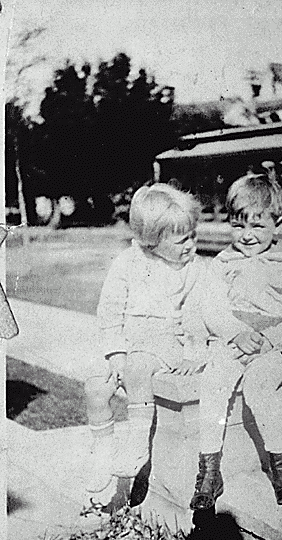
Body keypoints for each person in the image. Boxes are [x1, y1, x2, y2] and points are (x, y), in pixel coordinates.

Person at [189, 173, 282, 511]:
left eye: (258, 227)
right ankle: (209, 471)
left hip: (274, 347)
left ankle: (280, 465)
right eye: (238, 225)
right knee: (214, 382)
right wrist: (235, 332)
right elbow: (211, 307)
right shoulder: (223, 263)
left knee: (259, 387)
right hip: (234, 342)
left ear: (278, 223)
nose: (246, 236)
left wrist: (268, 338)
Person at [83, 182, 212, 514]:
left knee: (140, 369)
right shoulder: (127, 263)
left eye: (193, 235)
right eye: (182, 239)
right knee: (95, 387)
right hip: (126, 342)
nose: (191, 244)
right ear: (153, 240)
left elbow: (202, 316)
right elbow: (109, 309)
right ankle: (102, 452)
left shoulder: (195, 271)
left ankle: (137, 445)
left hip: (164, 343)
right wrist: (115, 354)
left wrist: (194, 352)